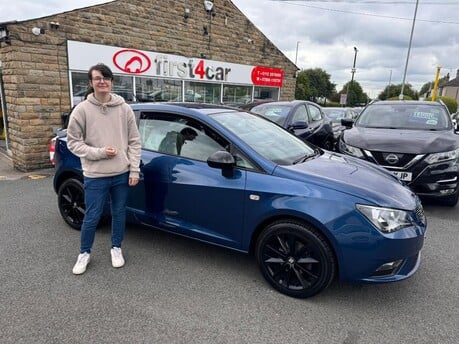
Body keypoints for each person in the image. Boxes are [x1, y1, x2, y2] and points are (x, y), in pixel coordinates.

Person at [67, 63, 141, 275]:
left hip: (121, 173)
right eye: (98, 78)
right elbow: (73, 142)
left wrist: (134, 170)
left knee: (119, 213)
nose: (103, 81)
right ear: (90, 83)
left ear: (111, 81)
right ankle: (84, 253)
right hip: (95, 175)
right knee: (92, 216)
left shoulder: (124, 108)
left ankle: (116, 248)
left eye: (106, 78)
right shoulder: (81, 110)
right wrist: (99, 152)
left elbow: (135, 141)